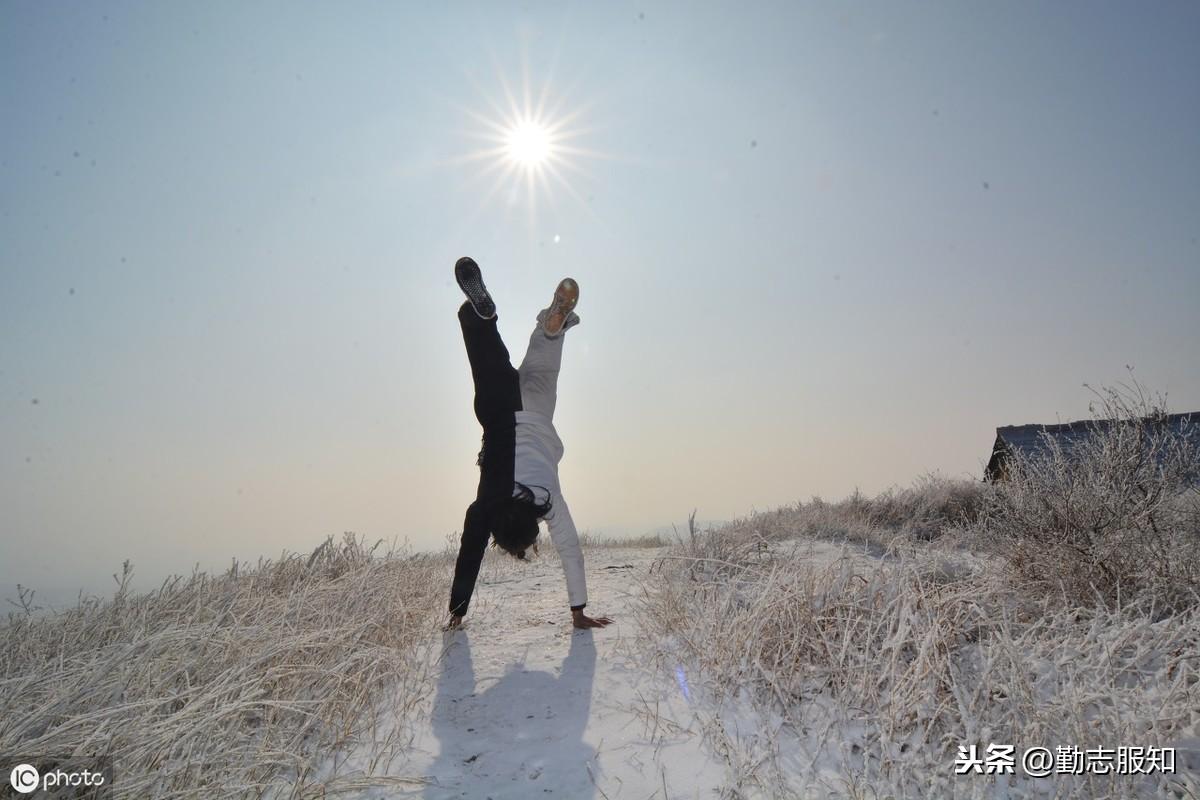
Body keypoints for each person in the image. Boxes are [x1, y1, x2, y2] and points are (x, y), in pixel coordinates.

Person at [447, 256, 612, 631]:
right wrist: (457, 611)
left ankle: (552, 331)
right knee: (487, 358)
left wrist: (579, 610)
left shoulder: (549, 500)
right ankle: (481, 319)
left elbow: (570, 550)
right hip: (501, 411)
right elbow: (469, 550)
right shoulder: (488, 505)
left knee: (543, 362)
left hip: (537, 412)